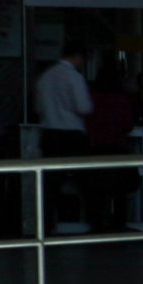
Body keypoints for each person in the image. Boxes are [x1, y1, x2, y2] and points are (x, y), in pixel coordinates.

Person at [35, 45, 94, 230]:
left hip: (50, 133)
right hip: (72, 133)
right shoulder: (74, 77)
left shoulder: (45, 77)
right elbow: (84, 107)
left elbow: (38, 108)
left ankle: (46, 225)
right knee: (86, 183)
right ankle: (93, 222)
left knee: (50, 184)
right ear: (77, 57)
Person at [85, 67, 135, 231]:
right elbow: (127, 124)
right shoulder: (121, 99)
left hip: (96, 148)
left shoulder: (92, 98)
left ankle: (97, 224)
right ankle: (119, 223)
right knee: (119, 191)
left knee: (97, 190)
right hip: (117, 147)